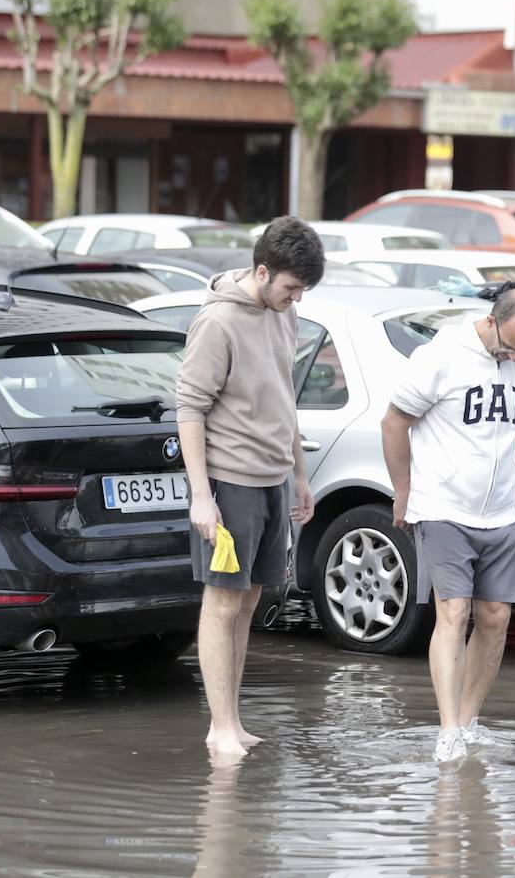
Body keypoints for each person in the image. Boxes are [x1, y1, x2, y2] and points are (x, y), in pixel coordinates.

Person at [175, 215, 324, 757]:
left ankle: (233, 720)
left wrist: (300, 475)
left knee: (250, 600)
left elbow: (284, 396)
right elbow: (189, 408)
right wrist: (201, 495)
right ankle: (219, 727)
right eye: (291, 288)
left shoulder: (282, 314)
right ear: (262, 272)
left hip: (272, 481)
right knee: (222, 602)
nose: (296, 300)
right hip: (228, 480)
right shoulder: (217, 323)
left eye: (303, 291)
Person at [380, 289, 515, 763]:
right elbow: (393, 422)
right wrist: (404, 490)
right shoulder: (441, 356)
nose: (512, 357)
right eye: (507, 347)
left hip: (500, 513)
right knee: (453, 613)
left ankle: (470, 721)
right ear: (492, 322)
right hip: (444, 506)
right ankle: (448, 729)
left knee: (496, 618)